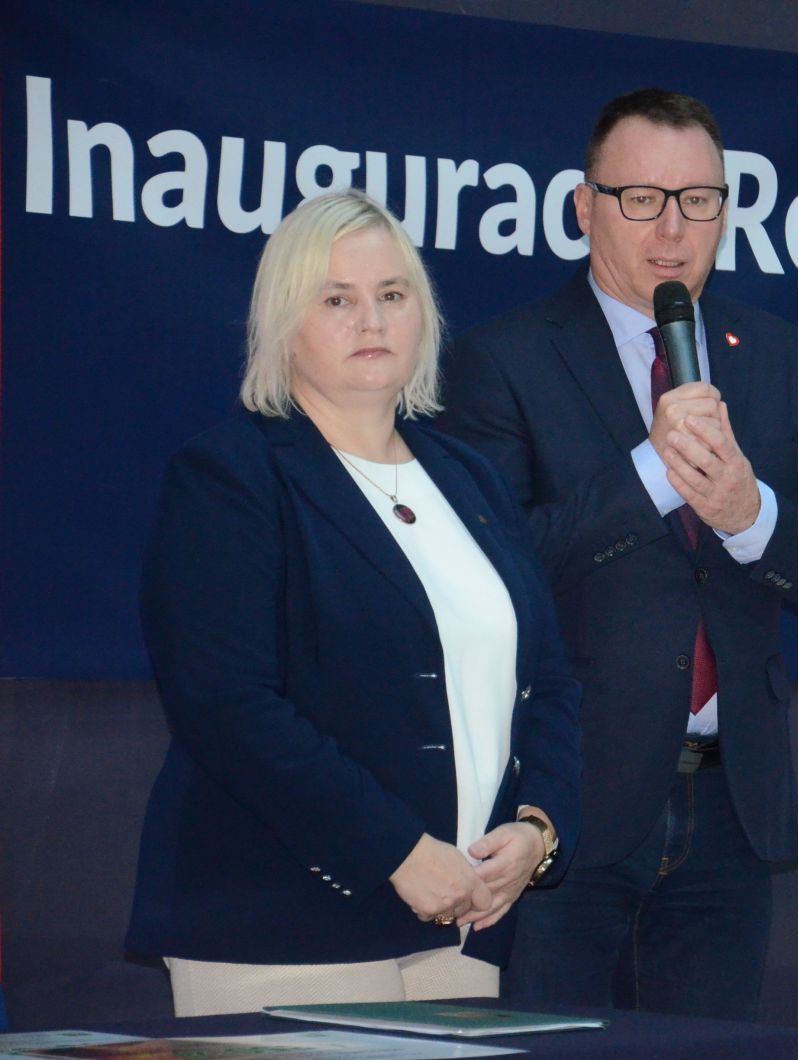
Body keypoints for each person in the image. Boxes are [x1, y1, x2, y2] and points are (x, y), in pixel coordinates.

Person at [435, 88, 798, 1021]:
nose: (673, 229)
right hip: (565, 806)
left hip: (730, 812)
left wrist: (749, 514)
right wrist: (648, 475)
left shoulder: (779, 356)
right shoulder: (501, 360)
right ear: (583, 206)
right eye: (641, 198)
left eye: (699, 200)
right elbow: (490, 571)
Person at [126, 189, 581, 1016]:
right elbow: (224, 704)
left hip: (464, 923)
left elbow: (546, 680)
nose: (371, 320)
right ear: (284, 323)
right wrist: (398, 851)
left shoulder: (470, 479)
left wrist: (538, 830)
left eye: (392, 294)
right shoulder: (231, 476)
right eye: (336, 299)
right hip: (277, 923)